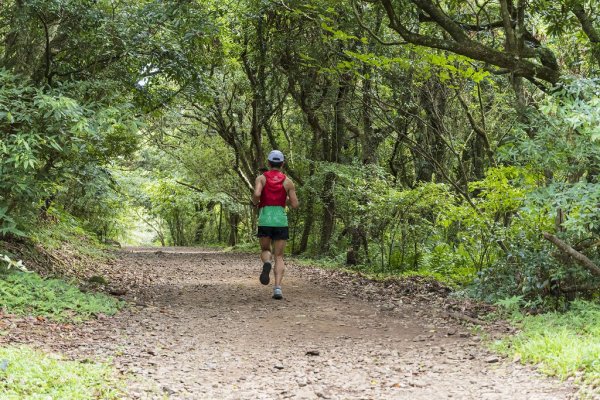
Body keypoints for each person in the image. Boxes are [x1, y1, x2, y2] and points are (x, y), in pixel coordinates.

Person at [252, 150, 299, 299]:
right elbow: (295, 204)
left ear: (268, 163)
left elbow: (257, 195)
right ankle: (277, 288)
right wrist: (281, 200)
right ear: (283, 164)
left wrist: (255, 202)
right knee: (279, 256)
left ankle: (267, 262)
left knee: (266, 249)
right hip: (280, 221)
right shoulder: (288, 181)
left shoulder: (261, 178)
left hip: (265, 219)